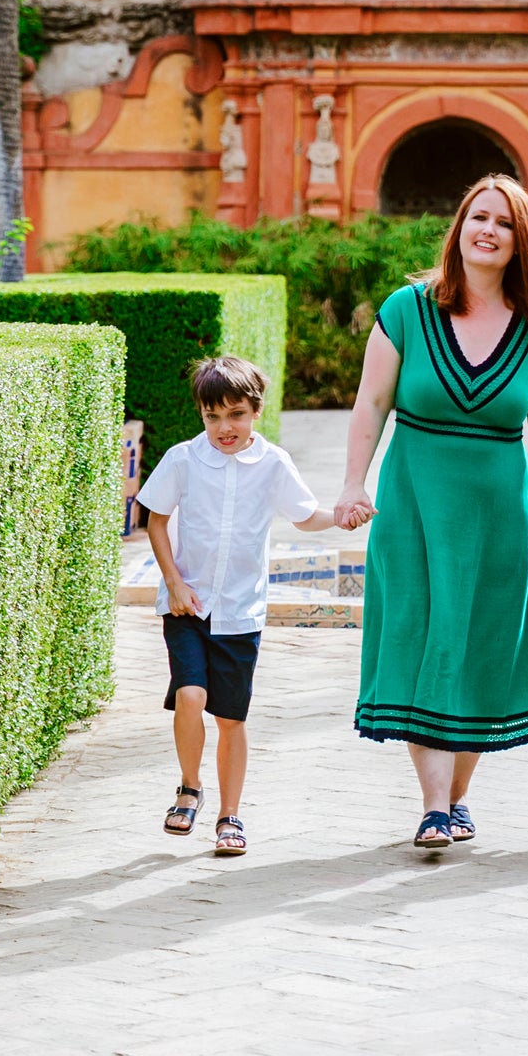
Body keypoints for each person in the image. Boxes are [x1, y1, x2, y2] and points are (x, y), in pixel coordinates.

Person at [335, 174, 528, 850]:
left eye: (503, 223)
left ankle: (455, 799)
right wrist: (352, 483)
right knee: (426, 640)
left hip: (497, 513)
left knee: (481, 648)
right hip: (414, 505)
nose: (486, 230)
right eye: (476, 217)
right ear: (459, 227)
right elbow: (370, 403)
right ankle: (433, 807)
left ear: (522, 243)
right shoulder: (406, 309)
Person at [140, 355, 352, 856]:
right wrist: (173, 584)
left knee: (231, 720)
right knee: (190, 695)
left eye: (235, 414)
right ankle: (189, 788)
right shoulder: (182, 459)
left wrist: (342, 516)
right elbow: (156, 520)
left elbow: (305, 517)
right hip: (187, 606)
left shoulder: (274, 463)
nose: (224, 427)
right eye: (212, 417)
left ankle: (229, 816)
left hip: (241, 611)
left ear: (255, 411)